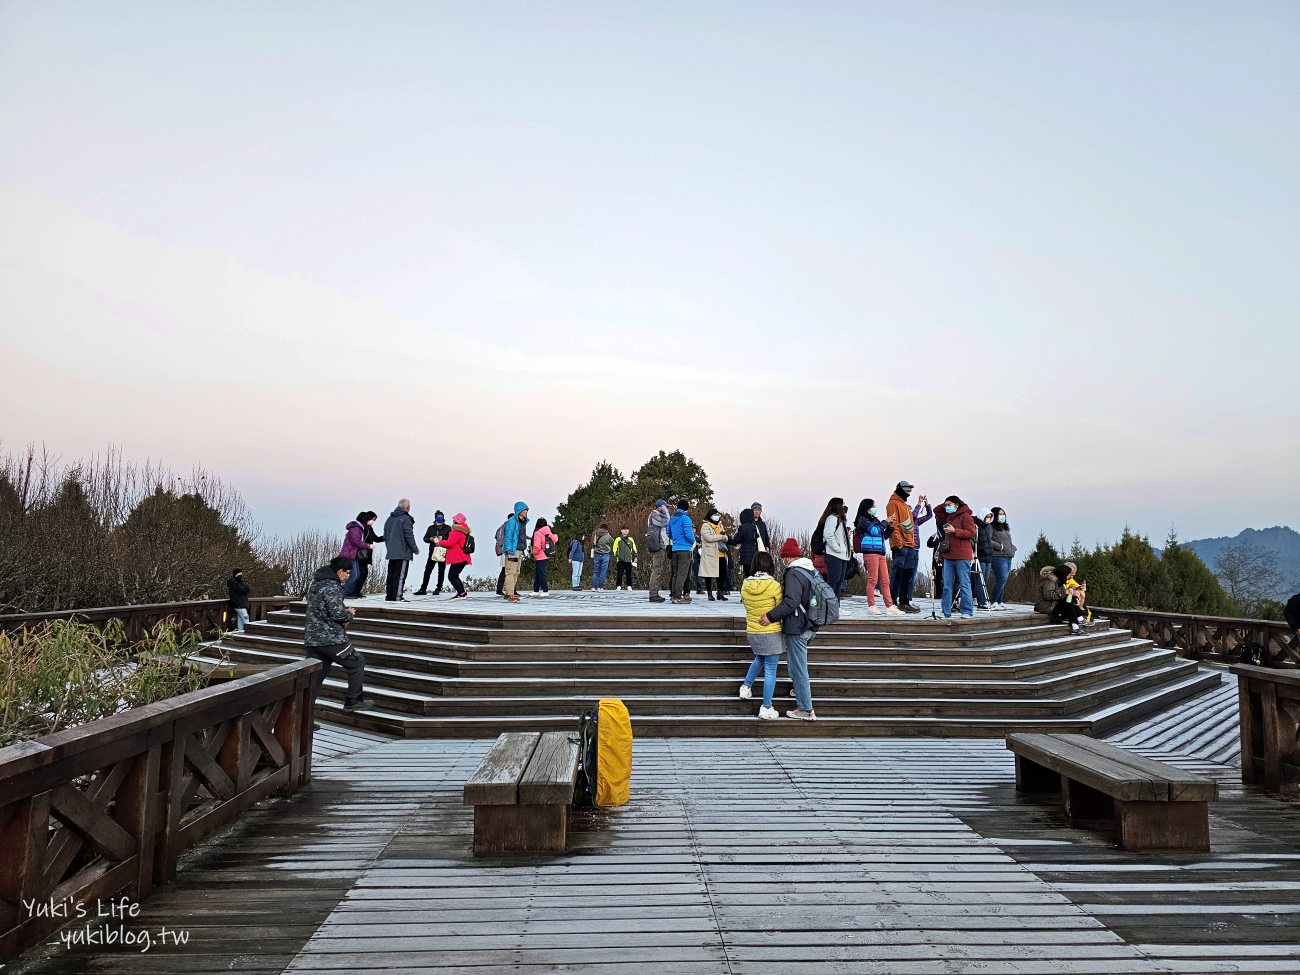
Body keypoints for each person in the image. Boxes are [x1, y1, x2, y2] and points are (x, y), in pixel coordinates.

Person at [760, 538, 819, 721]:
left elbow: (791, 602)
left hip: (797, 626)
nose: (783, 561)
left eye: (784, 558)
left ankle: (806, 709)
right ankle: (800, 694)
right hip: (811, 623)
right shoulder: (812, 571)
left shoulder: (794, 573)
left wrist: (770, 616)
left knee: (799, 668)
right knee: (795, 667)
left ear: (788, 557)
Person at [304, 556, 369, 711]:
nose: (348, 576)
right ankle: (353, 700)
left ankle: (303, 719)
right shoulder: (332, 586)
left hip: (313, 639)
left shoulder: (316, 583)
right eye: (347, 572)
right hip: (330, 639)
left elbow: (322, 608)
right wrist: (349, 614)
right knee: (357, 662)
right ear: (340, 571)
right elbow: (337, 614)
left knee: (314, 680)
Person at [737, 552, 783, 719]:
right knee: (771, 669)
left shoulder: (745, 585)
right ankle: (766, 707)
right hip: (770, 631)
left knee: (760, 658)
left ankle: (746, 686)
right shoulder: (775, 585)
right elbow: (780, 608)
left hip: (753, 631)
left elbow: (746, 605)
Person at [887, 483, 931, 614]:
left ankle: (904, 602)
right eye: (906, 490)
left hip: (910, 545)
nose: (908, 493)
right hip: (901, 546)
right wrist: (899, 543)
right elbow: (893, 524)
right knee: (897, 575)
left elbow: (912, 523)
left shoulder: (905, 506)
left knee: (907, 575)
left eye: (910, 490)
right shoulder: (893, 504)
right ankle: (892, 602)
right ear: (900, 490)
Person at [854, 500, 902, 616]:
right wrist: (885, 522)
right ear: (867, 508)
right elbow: (875, 531)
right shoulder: (862, 521)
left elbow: (883, 535)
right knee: (873, 579)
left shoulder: (875, 520)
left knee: (885, 580)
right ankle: (871, 605)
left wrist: (890, 527)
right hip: (870, 553)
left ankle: (889, 605)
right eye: (873, 506)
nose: (875, 508)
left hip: (880, 552)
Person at [936, 495, 976, 619]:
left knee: (964, 584)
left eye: (949, 505)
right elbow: (936, 510)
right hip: (948, 555)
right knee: (947, 585)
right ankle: (946, 610)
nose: (947, 507)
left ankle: (967, 611)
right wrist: (944, 505)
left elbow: (972, 533)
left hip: (962, 556)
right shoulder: (949, 516)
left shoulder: (966, 516)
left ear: (957, 505)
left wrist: (955, 531)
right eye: (946, 505)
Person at [1035, 564, 1088, 635]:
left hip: (1053, 604)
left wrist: (1072, 596)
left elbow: (1062, 595)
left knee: (1069, 601)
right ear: (1063, 575)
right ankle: (1077, 622)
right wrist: (1065, 592)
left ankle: (1076, 624)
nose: (1069, 577)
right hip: (1045, 606)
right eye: (1068, 575)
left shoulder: (1059, 581)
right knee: (1067, 602)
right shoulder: (1050, 581)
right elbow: (1048, 595)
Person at [815, 497, 852, 598]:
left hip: (843, 556)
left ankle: (836, 606)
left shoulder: (841, 520)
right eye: (843, 504)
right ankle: (828, 605)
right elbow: (828, 535)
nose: (845, 507)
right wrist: (838, 548)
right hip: (834, 555)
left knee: (839, 582)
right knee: (833, 581)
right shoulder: (832, 518)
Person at [383, 500, 419, 601]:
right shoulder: (406, 519)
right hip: (403, 552)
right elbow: (409, 535)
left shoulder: (390, 519)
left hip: (391, 551)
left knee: (391, 574)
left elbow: (385, 535)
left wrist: (389, 547)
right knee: (400, 575)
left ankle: (389, 595)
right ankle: (397, 596)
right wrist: (415, 549)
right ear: (407, 507)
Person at [339, 511, 379, 597]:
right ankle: (346, 591)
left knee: (357, 574)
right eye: (371, 519)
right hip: (350, 554)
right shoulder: (356, 528)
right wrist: (368, 546)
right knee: (355, 574)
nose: (372, 521)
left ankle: (349, 591)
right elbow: (356, 541)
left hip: (353, 554)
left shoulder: (361, 528)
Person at [415, 511, 451, 595]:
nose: (440, 519)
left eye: (441, 517)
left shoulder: (448, 528)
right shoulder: (430, 528)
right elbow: (425, 538)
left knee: (441, 571)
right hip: (433, 551)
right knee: (427, 570)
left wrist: (443, 538)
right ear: (435, 518)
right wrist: (430, 539)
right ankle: (423, 589)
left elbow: (451, 539)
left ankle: (438, 588)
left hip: (443, 551)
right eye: (438, 517)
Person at [437, 513, 472, 598]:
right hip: (463, 557)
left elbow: (450, 543)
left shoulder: (457, 532)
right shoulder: (464, 531)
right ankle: (462, 592)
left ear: (456, 521)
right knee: (454, 575)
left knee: (452, 576)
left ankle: (461, 593)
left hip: (458, 558)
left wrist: (439, 543)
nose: (452, 521)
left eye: (454, 520)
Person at [987, 507, 1016, 609]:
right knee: (1001, 579)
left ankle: (999, 601)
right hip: (998, 556)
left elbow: (1008, 541)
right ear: (995, 515)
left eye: (1003, 514)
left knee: (1004, 580)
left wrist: (1013, 548)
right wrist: (1000, 546)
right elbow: (988, 540)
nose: (1002, 516)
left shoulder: (1004, 528)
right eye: (1000, 514)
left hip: (1008, 556)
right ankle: (993, 601)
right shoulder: (991, 527)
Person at [668, 500, 697, 603]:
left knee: (675, 574)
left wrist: (676, 539)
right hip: (684, 550)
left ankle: (674, 595)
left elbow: (669, 533)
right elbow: (688, 534)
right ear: (686, 509)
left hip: (674, 549)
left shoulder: (672, 518)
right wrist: (694, 541)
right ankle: (678, 597)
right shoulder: (686, 519)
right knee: (682, 574)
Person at [698, 508, 729, 601]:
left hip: (721, 553)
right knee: (709, 574)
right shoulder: (705, 526)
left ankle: (720, 592)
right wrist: (721, 537)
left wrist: (725, 537)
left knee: (722, 574)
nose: (717, 517)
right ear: (710, 516)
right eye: (715, 515)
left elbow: (726, 537)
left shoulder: (720, 525)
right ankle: (709, 593)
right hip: (710, 554)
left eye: (718, 515)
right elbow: (708, 538)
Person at [501, 502, 529, 603]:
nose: (526, 512)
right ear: (519, 510)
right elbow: (508, 537)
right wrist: (509, 551)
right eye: (524, 510)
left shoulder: (522, 522)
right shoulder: (512, 521)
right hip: (513, 550)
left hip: (520, 549)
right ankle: (509, 594)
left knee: (516, 572)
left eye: (527, 510)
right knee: (510, 572)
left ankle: (511, 592)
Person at [646, 500, 671, 603]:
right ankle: (653, 594)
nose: (667, 509)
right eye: (666, 507)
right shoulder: (654, 515)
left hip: (660, 545)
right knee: (656, 570)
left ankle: (654, 593)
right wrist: (666, 512)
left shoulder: (656, 515)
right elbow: (666, 522)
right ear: (661, 506)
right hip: (658, 546)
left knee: (657, 569)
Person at [734, 507, 766, 580]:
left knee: (747, 574)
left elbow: (737, 540)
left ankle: (749, 589)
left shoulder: (742, 527)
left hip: (746, 555)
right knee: (754, 574)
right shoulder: (755, 527)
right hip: (755, 555)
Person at [531, 517, 558, 595]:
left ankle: (545, 590)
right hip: (546, 555)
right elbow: (555, 539)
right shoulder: (548, 531)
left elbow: (537, 546)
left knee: (541, 574)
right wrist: (556, 535)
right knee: (539, 573)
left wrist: (534, 553)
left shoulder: (537, 532)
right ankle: (536, 590)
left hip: (539, 556)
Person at [975, 508, 996, 607]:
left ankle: (983, 600)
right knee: (980, 580)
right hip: (980, 556)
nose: (988, 518)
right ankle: (981, 602)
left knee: (985, 580)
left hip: (988, 556)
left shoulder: (988, 527)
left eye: (990, 517)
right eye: (987, 516)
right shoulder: (976, 526)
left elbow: (989, 541)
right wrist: (980, 549)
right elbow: (974, 541)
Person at [590, 524, 614, 592]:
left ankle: (593, 587)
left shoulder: (595, 534)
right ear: (606, 529)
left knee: (595, 571)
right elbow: (612, 543)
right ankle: (600, 588)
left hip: (597, 554)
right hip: (605, 555)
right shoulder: (608, 536)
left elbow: (592, 543)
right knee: (603, 572)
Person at [227, 568, 250, 632]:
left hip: (240, 603)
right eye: (239, 574)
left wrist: (245, 588)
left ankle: (240, 632)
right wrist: (244, 588)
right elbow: (241, 589)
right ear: (236, 574)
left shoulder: (238, 582)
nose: (241, 575)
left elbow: (246, 589)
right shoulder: (233, 582)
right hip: (237, 603)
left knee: (240, 618)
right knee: (245, 617)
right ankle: (248, 631)